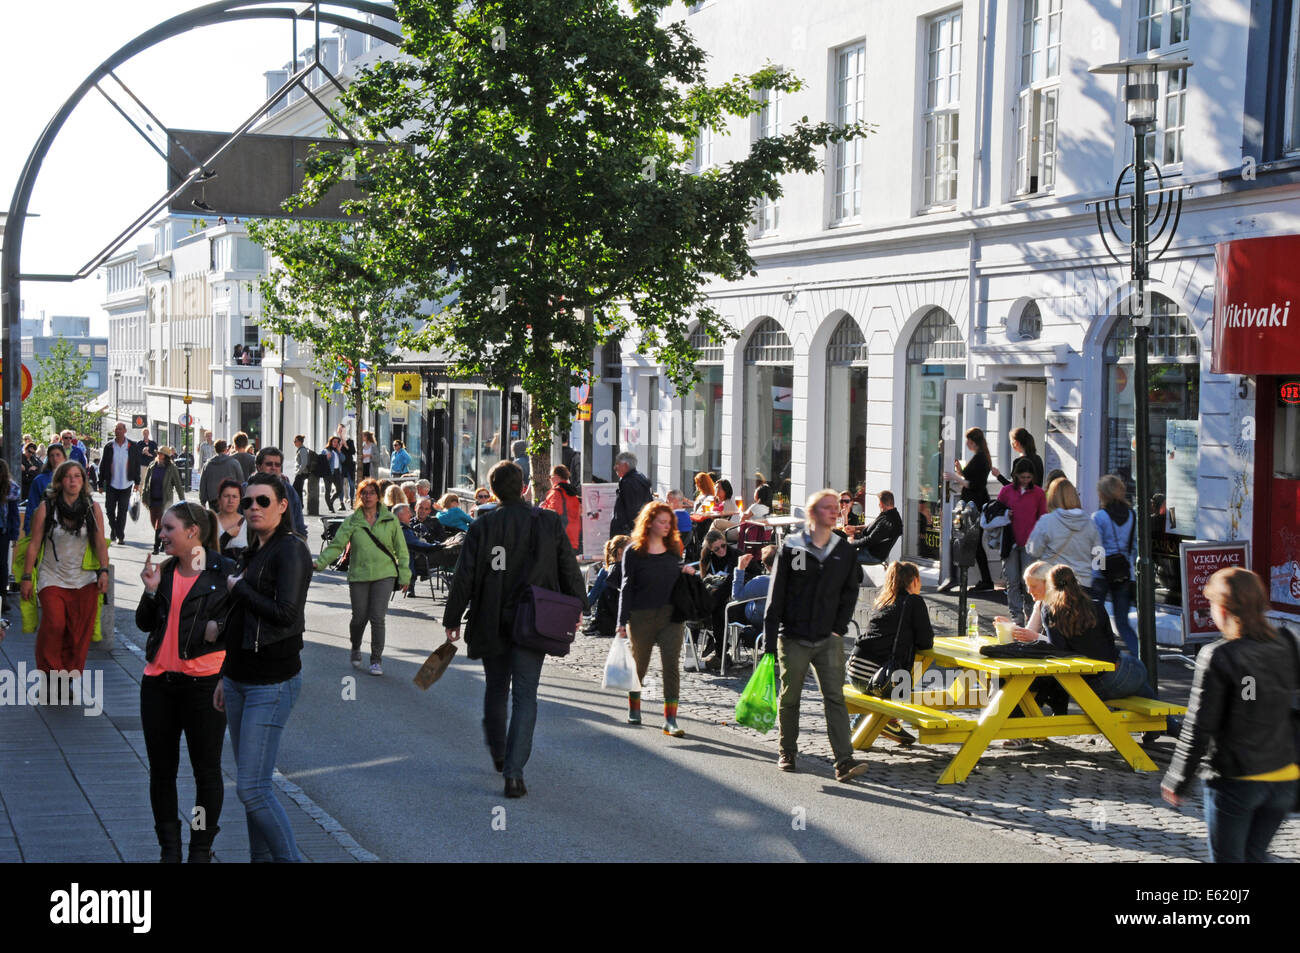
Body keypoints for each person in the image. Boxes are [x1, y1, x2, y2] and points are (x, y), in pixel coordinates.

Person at [443, 461, 587, 798]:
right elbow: (568, 566)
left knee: (496, 690)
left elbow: (465, 576)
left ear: (493, 491)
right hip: (534, 618)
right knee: (525, 696)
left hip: (492, 617)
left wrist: (452, 618)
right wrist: (579, 605)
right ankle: (514, 772)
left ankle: (499, 753)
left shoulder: (483, 525)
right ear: (523, 487)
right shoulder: (548, 522)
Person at [1161, 567, 1299, 863]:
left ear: (1222, 608)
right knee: (1255, 856)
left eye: (1211, 604)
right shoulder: (1286, 643)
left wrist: (1177, 778)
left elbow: (1200, 725)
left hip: (1239, 779)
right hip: (1284, 779)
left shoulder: (1219, 655)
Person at [214, 472, 313, 863]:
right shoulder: (253, 550)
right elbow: (238, 623)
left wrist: (241, 589)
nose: (253, 507)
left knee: (252, 790)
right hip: (239, 680)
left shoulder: (290, 549)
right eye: (248, 502)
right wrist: (226, 672)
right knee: (255, 787)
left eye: (263, 501)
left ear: (283, 506)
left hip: (271, 682)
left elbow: (286, 614)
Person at [136, 503, 233, 862]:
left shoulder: (224, 573)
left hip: (204, 686)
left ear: (193, 532)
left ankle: (200, 847)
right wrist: (150, 591)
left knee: (206, 771)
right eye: (162, 529)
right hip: (158, 684)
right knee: (162, 772)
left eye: (168, 529)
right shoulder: (164, 570)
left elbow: (240, 627)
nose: (161, 535)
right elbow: (145, 624)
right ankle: (170, 850)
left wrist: (219, 629)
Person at [763, 489, 868, 781]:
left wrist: (839, 627)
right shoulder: (793, 547)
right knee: (791, 697)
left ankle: (844, 760)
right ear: (812, 513)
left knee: (835, 697)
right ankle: (787, 751)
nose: (835, 512)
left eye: (837, 507)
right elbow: (777, 597)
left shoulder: (844, 551)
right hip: (793, 636)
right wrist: (770, 644)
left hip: (828, 638)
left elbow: (850, 592)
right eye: (827, 508)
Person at [19, 461, 111, 692]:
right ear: (59, 482)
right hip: (53, 578)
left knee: (78, 632)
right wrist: (27, 577)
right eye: (68, 477)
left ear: (83, 481)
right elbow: (34, 544)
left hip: (85, 580)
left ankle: (65, 680)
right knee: (55, 624)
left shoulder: (92, 507)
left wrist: (104, 571)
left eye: (77, 476)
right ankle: (49, 676)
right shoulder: (47, 508)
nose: (73, 481)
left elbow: (100, 543)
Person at [617, 501, 697, 735]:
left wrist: (685, 572)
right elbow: (626, 587)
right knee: (639, 665)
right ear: (649, 522)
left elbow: (675, 574)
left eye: (669, 522)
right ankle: (634, 706)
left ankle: (670, 719)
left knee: (671, 666)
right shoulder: (634, 552)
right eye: (662, 522)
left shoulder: (674, 549)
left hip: (671, 616)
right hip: (641, 616)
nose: (666, 526)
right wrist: (621, 622)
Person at [314, 477, 409, 675]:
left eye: (372, 493)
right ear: (359, 496)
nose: (368, 497)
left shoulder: (390, 519)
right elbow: (337, 546)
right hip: (359, 573)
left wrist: (404, 575)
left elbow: (401, 550)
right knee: (359, 618)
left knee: (377, 617)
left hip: (385, 573)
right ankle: (356, 647)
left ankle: (376, 659)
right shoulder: (352, 521)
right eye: (364, 493)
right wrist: (320, 563)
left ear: (378, 496)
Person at [846, 560, 936, 747]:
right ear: (914, 581)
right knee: (902, 676)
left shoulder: (884, 601)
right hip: (876, 678)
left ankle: (884, 721)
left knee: (897, 673)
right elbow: (926, 642)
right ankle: (886, 720)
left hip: (854, 670)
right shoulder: (914, 601)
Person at [1040, 565, 1149, 700]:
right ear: (1075, 581)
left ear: (1052, 585)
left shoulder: (1050, 612)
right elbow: (1110, 641)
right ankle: (1169, 720)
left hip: (1092, 682)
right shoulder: (1095, 605)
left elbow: (1058, 649)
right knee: (1140, 685)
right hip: (1123, 670)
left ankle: (1166, 719)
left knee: (1129, 685)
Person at [940, 427, 995, 592]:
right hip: (975, 502)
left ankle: (980, 580)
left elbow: (974, 484)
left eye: (967, 441)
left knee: (973, 542)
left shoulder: (980, 459)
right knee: (975, 543)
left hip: (975, 504)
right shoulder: (981, 457)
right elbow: (972, 479)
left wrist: (955, 477)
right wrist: (960, 472)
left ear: (972, 441)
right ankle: (983, 579)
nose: (966, 444)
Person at [1091, 474, 1140, 656]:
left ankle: (1100, 654)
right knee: (1122, 622)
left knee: (1095, 619)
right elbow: (1134, 546)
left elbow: (1097, 547)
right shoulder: (1132, 515)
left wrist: (1098, 572)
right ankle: (1140, 657)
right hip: (1123, 572)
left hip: (1102, 573)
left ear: (1103, 494)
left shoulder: (1099, 517)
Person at [996, 459, 1048, 625]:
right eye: (1022, 477)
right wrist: (1005, 515)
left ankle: (1030, 614)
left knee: (1029, 581)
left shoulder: (1039, 493)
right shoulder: (1006, 491)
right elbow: (995, 513)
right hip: (1010, 543)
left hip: (1030, 545)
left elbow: (1042, 518)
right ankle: (1016, 617)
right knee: (1012, 581)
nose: (1025, 480)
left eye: (1028, 477)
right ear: (1016, 475)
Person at [1026, 477, 1101, 584]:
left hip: (1054, 581)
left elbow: (1034, 551)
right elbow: (1099, 555)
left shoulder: (1046, 521)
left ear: (1052, 497)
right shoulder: (1089, 522)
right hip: (1083, 582)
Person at [100, 424, 142, 545]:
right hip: (111, 483)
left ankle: (120, 535)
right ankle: (114, 529)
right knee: (109, 510)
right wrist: (100, 483)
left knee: (122, 511)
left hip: (126, 483)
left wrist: (137, 482)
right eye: (116, 429)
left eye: (120, 429)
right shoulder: (109, 446)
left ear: (125, 431)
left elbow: (136, 464)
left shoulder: (132, 446)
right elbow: (103, 466)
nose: (117, 431)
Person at [251, 447, 307, 538]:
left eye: (277, 465)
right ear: (258, 466)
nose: (273, 468)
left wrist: (300, 544)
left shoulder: (289, 490)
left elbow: (299, 524)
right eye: (269, 464)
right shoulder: (247, 489)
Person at [142, 447, 186, 554]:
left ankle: (156, 547)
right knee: (154, 522)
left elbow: (178, 485)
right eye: (158, 453)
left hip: (165, 501)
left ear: (166, 456)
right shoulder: (152, 466)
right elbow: (146, 482)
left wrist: (182, 500)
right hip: (153, 500)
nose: (159, 455)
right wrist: (144, 496)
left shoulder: (172, 468)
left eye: (161, 454)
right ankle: (163, 540)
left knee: (159, 524)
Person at [586, 535, 629, 638]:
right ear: (620, 551)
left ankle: (591, 615)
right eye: (630, 546)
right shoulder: (618, 569)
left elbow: (594, 594)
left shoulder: (609, 569)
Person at [846, 489, 904, 564]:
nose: (878, 505)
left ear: (881, 503)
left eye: (879, 503)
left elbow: (870, 540)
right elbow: (873, 528)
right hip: (870, 549)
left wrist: (852, 542)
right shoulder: (890, 514)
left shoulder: (887, 521)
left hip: (872, 555)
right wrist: (855, 528)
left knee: (844, 555)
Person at [24, 444, 68, 535]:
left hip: (69, 529)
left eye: (58, 455)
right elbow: (32, 506)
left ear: (64, 457)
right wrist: (28, 529)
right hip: (45, 528)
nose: (55, 458)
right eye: (51, 455)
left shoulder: (73, 478)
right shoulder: (39, 480)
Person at [610, 451, 653, 537]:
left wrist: (629, 532)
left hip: (627, 534)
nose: (614, 467)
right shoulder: (639, 478)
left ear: (625, 465)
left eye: (617, 464)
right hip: (637, 530)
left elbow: (632, 510)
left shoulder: (629, 482)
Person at [540, 464, 582, 552]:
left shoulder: (556, 493)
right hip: (573, 538)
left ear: (556, 477)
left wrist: (542, 508)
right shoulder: (573, 494)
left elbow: (552, 514)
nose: (550, 479)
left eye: (550, 476)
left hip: (558, 539)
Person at [199, 441, 244, 510]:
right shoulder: (234, 463)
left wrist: (203, 501)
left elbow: (203, 483)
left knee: (215, 519)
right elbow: (241, 480)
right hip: (230, 498)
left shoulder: (208, 465)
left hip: (213, 498)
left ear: (215, 449)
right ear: (226, 449)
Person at [0, 461, 20, 613]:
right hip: (4, 530)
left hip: (3, 530)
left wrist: (14, 534)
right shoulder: (11, 487)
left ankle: (3, 596)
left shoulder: (10, 488)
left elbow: (13, 514)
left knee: (2, 564)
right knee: (2, 564)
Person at [213, 479, 249, 557]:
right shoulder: (211, 522)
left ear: (240, 499)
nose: (231, 501)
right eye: (226, 496)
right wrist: (227, 535)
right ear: (219, 498)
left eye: (234, 497)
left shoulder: (248, 523)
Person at [324, 436, 348, 512]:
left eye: (337, 442)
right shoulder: (326, 450)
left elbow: (343, 459)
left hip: (337, 472)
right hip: (329, 473)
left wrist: (339, 451)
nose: (335, 443)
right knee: (328, 490)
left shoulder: (337, 451)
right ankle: (330, 507)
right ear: (331, 442)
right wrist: (326, 458)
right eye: (334, 442)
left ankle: (331, 500)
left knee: (340, 489)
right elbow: (323, 460)